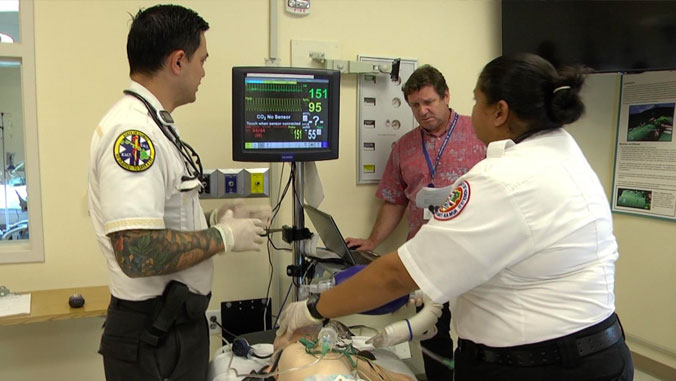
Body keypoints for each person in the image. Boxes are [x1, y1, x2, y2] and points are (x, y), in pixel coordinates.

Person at [276, 53, 634, 380]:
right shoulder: (565, 152)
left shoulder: (502, 178)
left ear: (500, 111)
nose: (473, 109)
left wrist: (313, 309)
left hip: (540, 365)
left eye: (478, 100)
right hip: (601, 351)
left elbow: (394, 277)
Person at [88, 5, 267, 380]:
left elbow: (161, 219)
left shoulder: (156, 125)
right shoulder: (134, 136)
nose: (203, 71)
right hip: (153, 335)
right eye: (202, 60)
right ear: (178, 61)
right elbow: (136, 252)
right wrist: (223, 238)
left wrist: (215, 219)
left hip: (173, 327)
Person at [345, 64, 486, 379]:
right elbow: (395, 199)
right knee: (431, 332)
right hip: (426, 256)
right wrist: (372, 242)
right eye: (415, 106)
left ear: (446, 96)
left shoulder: (479, 134)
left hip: (474, 254)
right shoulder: (405, 147)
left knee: (475, 334)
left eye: (429, 102)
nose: (422, 111)